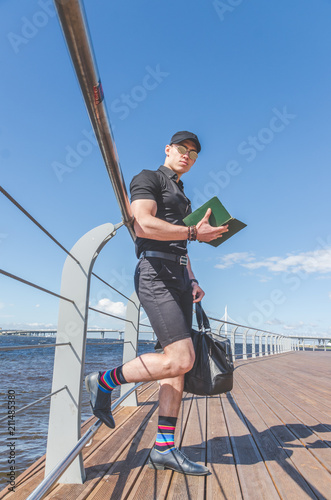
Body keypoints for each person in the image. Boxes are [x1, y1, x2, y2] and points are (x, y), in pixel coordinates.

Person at [85, 131, 228, 476]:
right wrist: (194, 232)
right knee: (182, 358)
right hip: (155, 274)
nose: (188, 156)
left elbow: (183, 246)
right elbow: (143, 224)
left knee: (175, 366)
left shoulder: (183, 196)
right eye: (183, 149)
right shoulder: (148, 178)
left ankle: (163, 448)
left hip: (178, 277)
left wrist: (192, 279)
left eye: (194, 154)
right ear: (168, 149)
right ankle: (103, 380)